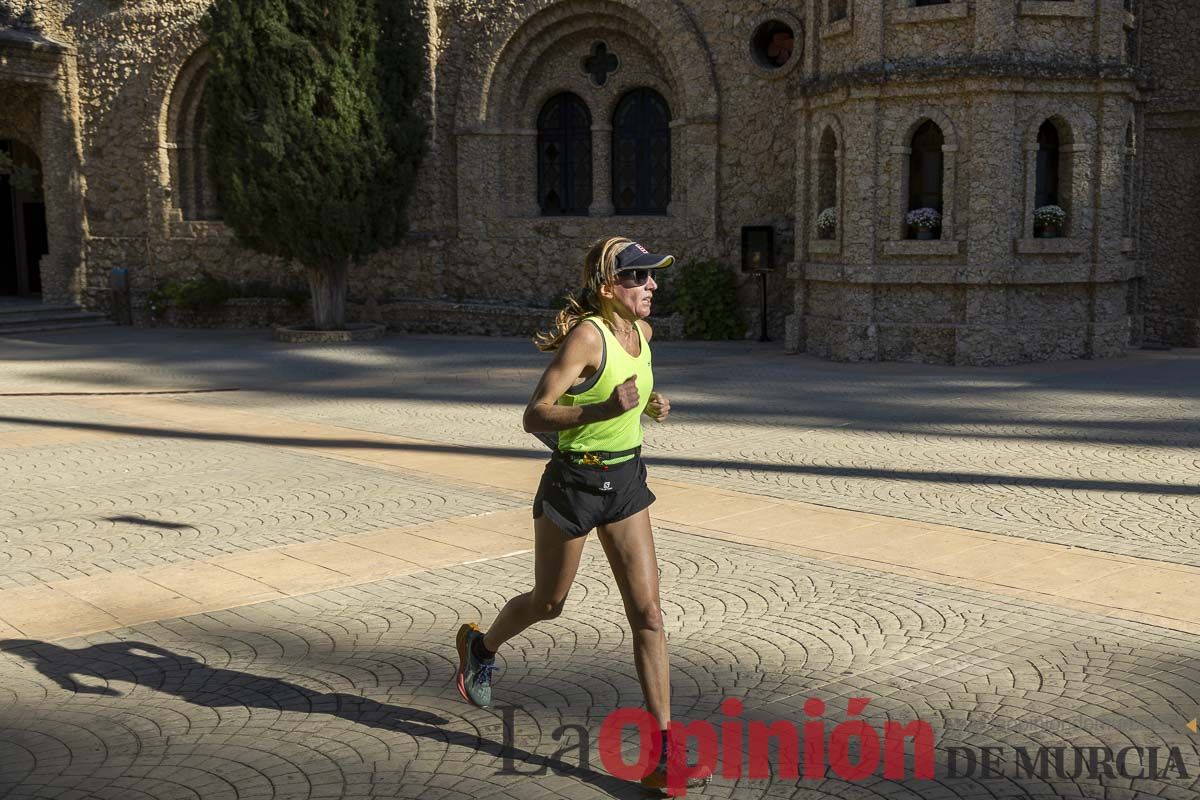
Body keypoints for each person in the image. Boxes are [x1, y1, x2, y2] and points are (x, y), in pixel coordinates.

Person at [454, 236, 709, 792]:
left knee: (649, 614)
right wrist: (600, 407)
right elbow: (535, 415)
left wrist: (651, 404)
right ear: (607, 288)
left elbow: (634, 393)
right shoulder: (586, 338)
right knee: (549, 602)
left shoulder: (642, 333)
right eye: (637, 278)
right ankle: (481, 646)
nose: (651, 286)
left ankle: (663, 755)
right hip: (573, 484)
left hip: (625, 483)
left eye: (651, 276)